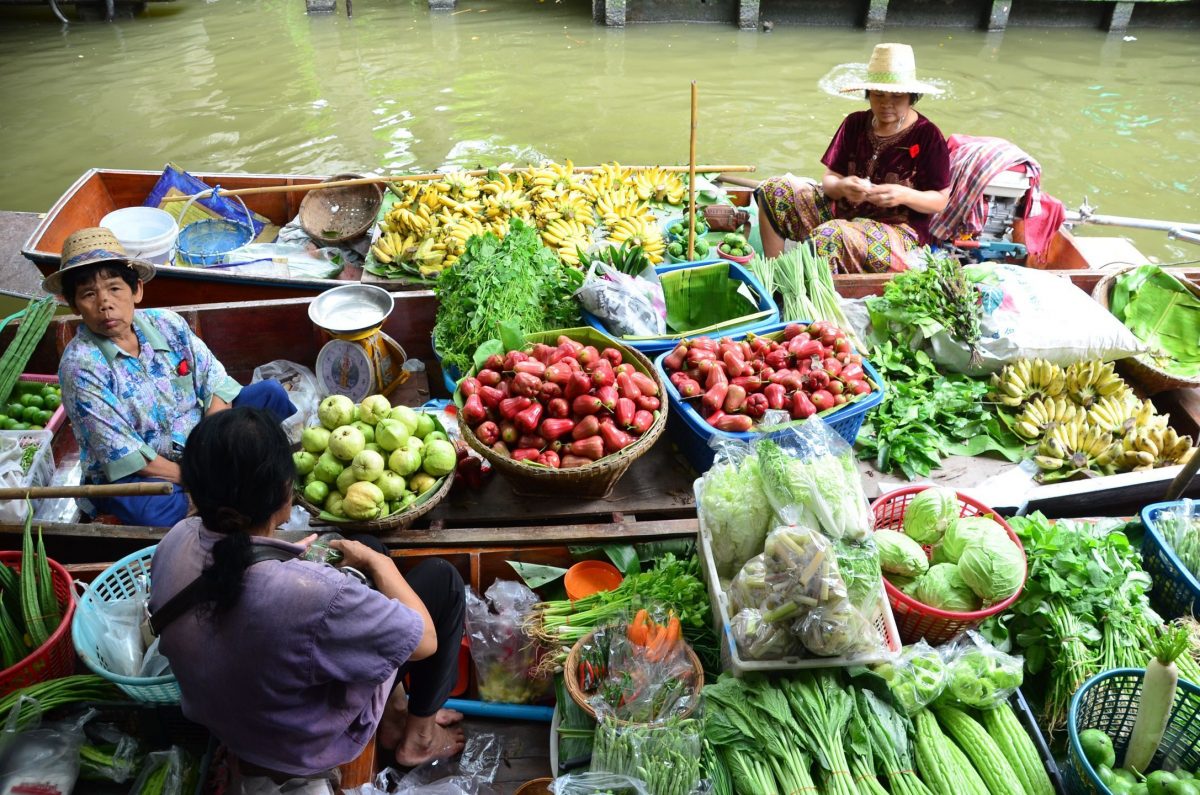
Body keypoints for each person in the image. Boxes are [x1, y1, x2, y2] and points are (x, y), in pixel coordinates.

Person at [148, 408, 467, 784]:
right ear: (284, 489)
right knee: (441, 581)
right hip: (301, 744)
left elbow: (248, 597)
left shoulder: (175, 540)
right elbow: (425, 641)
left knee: (362, 543)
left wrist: (315, 561)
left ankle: (395, 716)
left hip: (230, 724)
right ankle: (421, 738)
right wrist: (377, 564)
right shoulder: (314, 597)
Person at [46, 227, 297, 527]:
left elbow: (216, 384)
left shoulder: (167, 323)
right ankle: (228, 485)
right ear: (74, 305)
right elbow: (127, 455)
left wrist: (211, 450)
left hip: (203, 446)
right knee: (152, 510)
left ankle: (217, 489)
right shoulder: (79, 367)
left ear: (136, 290)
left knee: (271, 394)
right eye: (88, 294)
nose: (104, 303)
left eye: (114, 288)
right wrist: (199, 478)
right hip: (141, 470)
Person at [756, 43, 952, 274]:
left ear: (911, 97)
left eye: (896, 96)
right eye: (878, 95)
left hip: (898, 233)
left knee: (833, 236)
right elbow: (830, 181)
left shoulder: (928, 135)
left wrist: (902, 194)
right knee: (774, 190)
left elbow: (940, 200)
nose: (886, 103)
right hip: (843, 212)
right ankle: (773, 275)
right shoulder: (855, 123)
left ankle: (798, 288)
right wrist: (842, 186)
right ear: (869, 94)